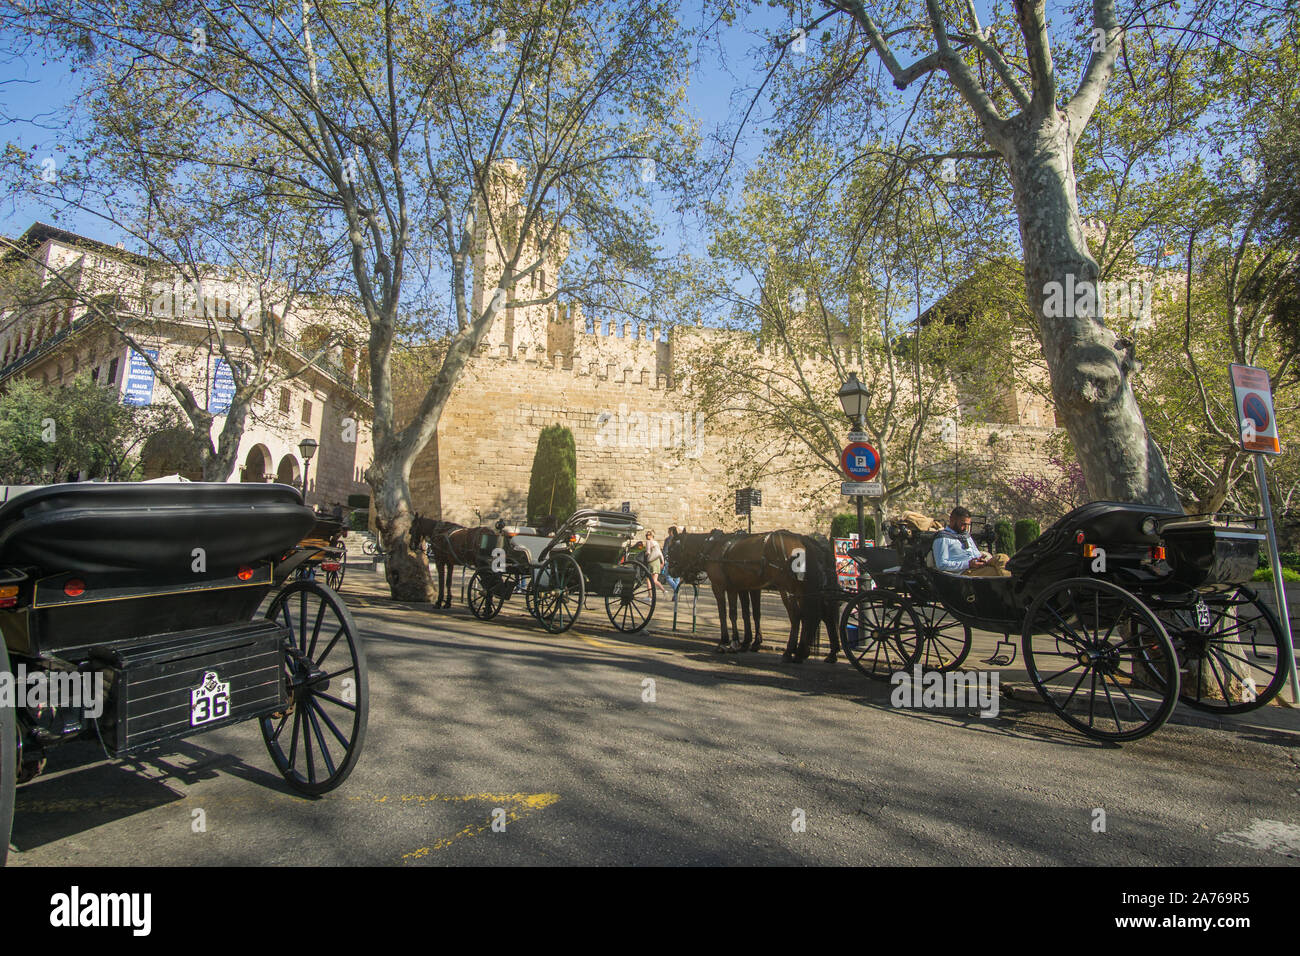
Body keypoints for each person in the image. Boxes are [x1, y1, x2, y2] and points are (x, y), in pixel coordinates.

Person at [932, 506, 1011, 577]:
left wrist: (980, 558)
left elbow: (975, 553)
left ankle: (1012, 582)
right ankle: (1011, 587)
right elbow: (941, 564)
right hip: (965, 572)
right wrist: (968, 564)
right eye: (963, 524)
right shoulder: (943, 538)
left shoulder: (965, 535)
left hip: (978, 566)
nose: (966, 528)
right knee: (995, 572)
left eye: (968, 525)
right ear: (952, 520)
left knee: (1002, 557)